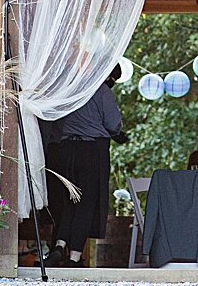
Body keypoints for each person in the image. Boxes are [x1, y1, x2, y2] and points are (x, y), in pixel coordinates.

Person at [48, 65, 128, 267]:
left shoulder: (73, 88)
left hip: (66, 149)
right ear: (107, 75)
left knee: (69, 200)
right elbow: (113, 123)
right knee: (86, 203)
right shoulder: (102, 91)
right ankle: (74, 257)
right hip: (92, 151)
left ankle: (59, 245)